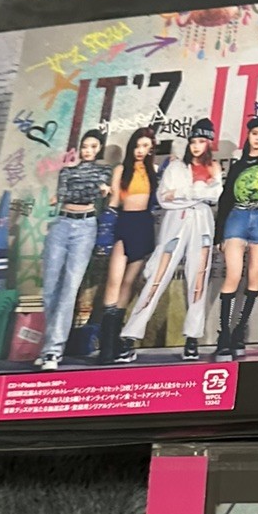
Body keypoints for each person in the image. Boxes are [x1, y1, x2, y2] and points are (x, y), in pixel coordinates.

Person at [116, 118, 223, 363]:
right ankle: (130, 337)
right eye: (193, 141)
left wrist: (183, 194)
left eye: (201, 141)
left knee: (198, 279)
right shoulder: (176, 166)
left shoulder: (214, 166)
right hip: (175, 222)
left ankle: (192, 339)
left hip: (202, 223)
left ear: (209, 143)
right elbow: (164, 198)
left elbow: (215, 195)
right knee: (157, 277)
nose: (196, 146)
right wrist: (196, 192)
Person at [35, 129, 112, 371]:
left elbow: (90, 194)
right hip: (61, 224)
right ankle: (49, 346)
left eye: (93, 146)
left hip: (86, 226)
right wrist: (91, 189)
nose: (88, 151)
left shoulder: (104, 171)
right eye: (85, 146)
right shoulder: (67, 171)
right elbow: (65, 194)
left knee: (69, 289)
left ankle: (53, 351)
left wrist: (93, 190)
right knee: (50, 289)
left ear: (99, 149)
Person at [214, 115, 258, 360]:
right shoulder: (239, 164)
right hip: (237, 217)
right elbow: (226, 198)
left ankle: (238, 332)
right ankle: (224, 334)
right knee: (233, 275)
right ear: (248, 135)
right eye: (255, 133)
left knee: (254, 275)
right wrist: (219, 234)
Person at [97, 128, 158, 364]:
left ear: (150, 148)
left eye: (145, 146)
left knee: (129, 283)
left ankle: (116, 340)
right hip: (124, 223)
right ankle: (106, 346)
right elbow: (114, 202)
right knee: (114, 281)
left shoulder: (153, 171)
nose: (140, 151)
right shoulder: (121, 170)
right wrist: (106, 226)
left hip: (143, 225)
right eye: (137, 146)